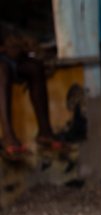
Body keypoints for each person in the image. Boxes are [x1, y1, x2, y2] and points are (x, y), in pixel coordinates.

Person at [0, 24, 68, 160]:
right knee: (1, 72)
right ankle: (8, 136)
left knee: (35, 68)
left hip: (5, 58)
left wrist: (16, 49)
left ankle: (45, 132)